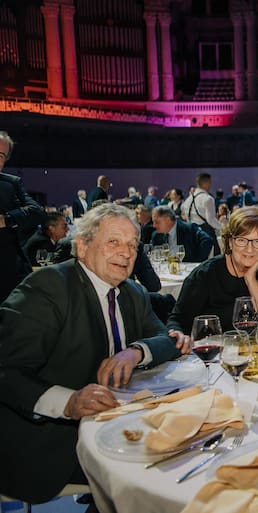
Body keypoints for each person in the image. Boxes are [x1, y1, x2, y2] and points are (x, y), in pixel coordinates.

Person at [0, 203, 188, 503]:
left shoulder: (132, 292)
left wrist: (134, 353)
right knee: (160, 468)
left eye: (132, 245)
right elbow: (7, 371)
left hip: (116, 423)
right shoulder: (49, 287)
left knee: (185, 447)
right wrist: (69, 402)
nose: (126, 253)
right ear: (82, 246)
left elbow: (165, 339)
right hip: (50, 438)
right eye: (113, 242)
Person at [167, 206, 258, 334]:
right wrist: (177, 334)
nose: (249, 249)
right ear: (230, 242)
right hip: (213, 349)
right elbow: (177, 321)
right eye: (241, 240)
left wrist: (250, 278)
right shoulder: (205, 275)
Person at [0, 131, 46, 303]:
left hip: (6, 275)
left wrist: (6, 219)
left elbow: (37, 213)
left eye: (1, 155)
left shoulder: (11, 184)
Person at [182, 172, 222, 255]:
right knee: (212, 261)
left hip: (191, 236)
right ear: (205, 183)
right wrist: (224, 227)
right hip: (206, 236)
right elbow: (211, 220)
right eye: (210, 182)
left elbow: (186, 218)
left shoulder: (187, 200)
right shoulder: (208, 199)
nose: (210, 185)